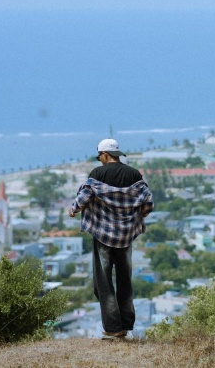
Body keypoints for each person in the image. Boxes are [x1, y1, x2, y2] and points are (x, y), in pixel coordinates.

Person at [68, 138, 154, 339]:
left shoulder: (97, 174)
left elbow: (84, 198)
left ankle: (113, 329)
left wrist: (73, 210)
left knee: (104, 283)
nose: (99, 160)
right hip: (126, 237)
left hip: (103, 236)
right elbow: (148, 203)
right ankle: (125, 324)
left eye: (100, 156)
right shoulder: (134, 174)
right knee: (125, 280)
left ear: (105, 155)